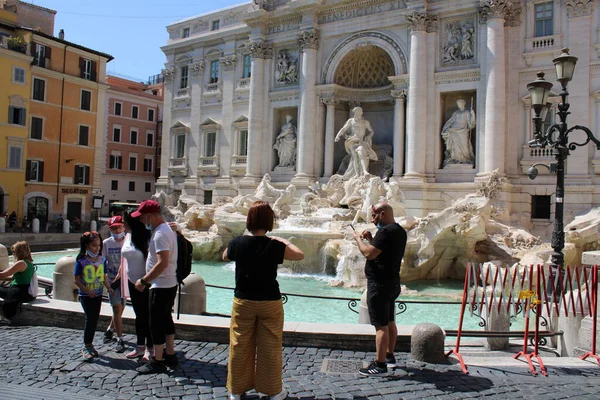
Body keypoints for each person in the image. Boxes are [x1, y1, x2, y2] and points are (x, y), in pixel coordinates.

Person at [222, 201, 304, 400]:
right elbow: (299, 255)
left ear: (249, 221)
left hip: (244, 301)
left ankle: (236, 390)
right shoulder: (274, 245)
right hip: (270, 301)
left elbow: (225, 256)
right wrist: (283, 241)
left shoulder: (238, 242)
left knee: (239, 344)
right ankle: (272, 391)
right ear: (269, 222)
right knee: (270, 346)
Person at [353, 202, 407, 376]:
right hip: (392, 283)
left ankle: (380, 364)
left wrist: (358, 240)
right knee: (390, 321)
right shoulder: (399, 230)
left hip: (379, 285)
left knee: (380, 326)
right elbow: (384, 251)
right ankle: (390, 356)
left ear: (382, 213)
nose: (372, 219)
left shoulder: (384, 232)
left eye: (374, 216)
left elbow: (369, 254)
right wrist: (371, 240)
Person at [133, 200, 179, 374]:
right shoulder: (167, 229)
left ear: (150, 215)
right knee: (166, 320)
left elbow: (162, 263)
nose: (142, 220)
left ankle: (157, 360)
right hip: (169, 283)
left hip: (160, 285)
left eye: (143, 217)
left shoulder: (160, 233)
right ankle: (170, 353)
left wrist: (144, 281)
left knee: (156, 324)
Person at [73, 231, 113, 361]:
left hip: (98, 294)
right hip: (86, 295)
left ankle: (90, 344)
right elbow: (77, 280)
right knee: (90, 319)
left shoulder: (102, 259)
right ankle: (87, 346)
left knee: (94, 319)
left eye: (99, 245)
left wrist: (108, 287)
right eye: (94, 245)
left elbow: (103, 276)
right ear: (86, 246)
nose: (97, 248)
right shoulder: (81, 261)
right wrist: (87, 291)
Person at [122, 211, 153, 362]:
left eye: (125, 222)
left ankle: (150, 348)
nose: (123, 225)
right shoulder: (128, 236)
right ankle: (140, 346)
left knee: (148, 316)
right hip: (132, 281)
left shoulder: (148, 236)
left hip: (146, 282)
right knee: (139, 315)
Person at [101, 216, 127, 353]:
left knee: (121, 308)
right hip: (112, 280)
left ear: (123, 227)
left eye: (118, 227)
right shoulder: (106, 243)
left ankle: (110, 330)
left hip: (126, 281)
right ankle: (120, 338)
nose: (116, 230)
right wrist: (105, 282)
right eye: (113, 228)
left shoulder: (129, 241)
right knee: (117, 309)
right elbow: (102, 262)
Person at [335, 106, 378, 179]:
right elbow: (343, 129)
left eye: (358, 111)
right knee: (355, 157)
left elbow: (372, 131)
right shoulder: (351, 121)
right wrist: (337, 136)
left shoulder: (365, 122)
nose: (356, 113)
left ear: (361, 112)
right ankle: (357, 174)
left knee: (361, 152)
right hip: (352, 140)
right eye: (355, 112)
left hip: (361, 140)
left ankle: (364, 171)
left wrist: (369, 136)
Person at [0, 241, 35, 321]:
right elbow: (12, 277)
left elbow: (2, 275)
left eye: (14, 251)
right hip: (24, 291)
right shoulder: (29, 263)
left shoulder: (20, 263)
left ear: (19, 252)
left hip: (17, 292)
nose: (13, 253)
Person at [441, 98, 476, 166]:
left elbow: (471, 124)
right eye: (458, 103)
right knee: (454, 145)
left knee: (464, 146)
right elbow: (451, 121)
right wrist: (445, 128)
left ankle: (465, 159)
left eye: (460, 103)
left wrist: (473, 115)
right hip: (454, 130)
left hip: (463, 131)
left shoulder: (467, 112)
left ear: (463, 103)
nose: (459, 104)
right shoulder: (456, 113)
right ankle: (456, 159)